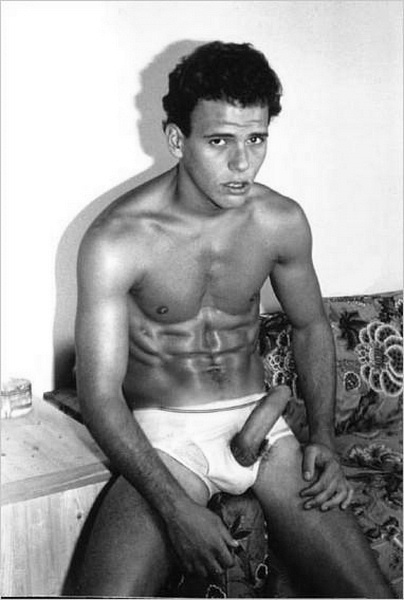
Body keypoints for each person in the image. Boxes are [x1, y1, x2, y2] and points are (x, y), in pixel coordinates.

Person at [72, 41, 394, 597]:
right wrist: (176, 510)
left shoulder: (280, 221)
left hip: (264, 429)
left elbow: (311, 326)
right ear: (178, 139)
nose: (242, 163)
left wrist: (323, 437)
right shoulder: (117, 240)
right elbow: (98, 395)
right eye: (220, 141)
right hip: (168, 440)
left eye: (256, 139)